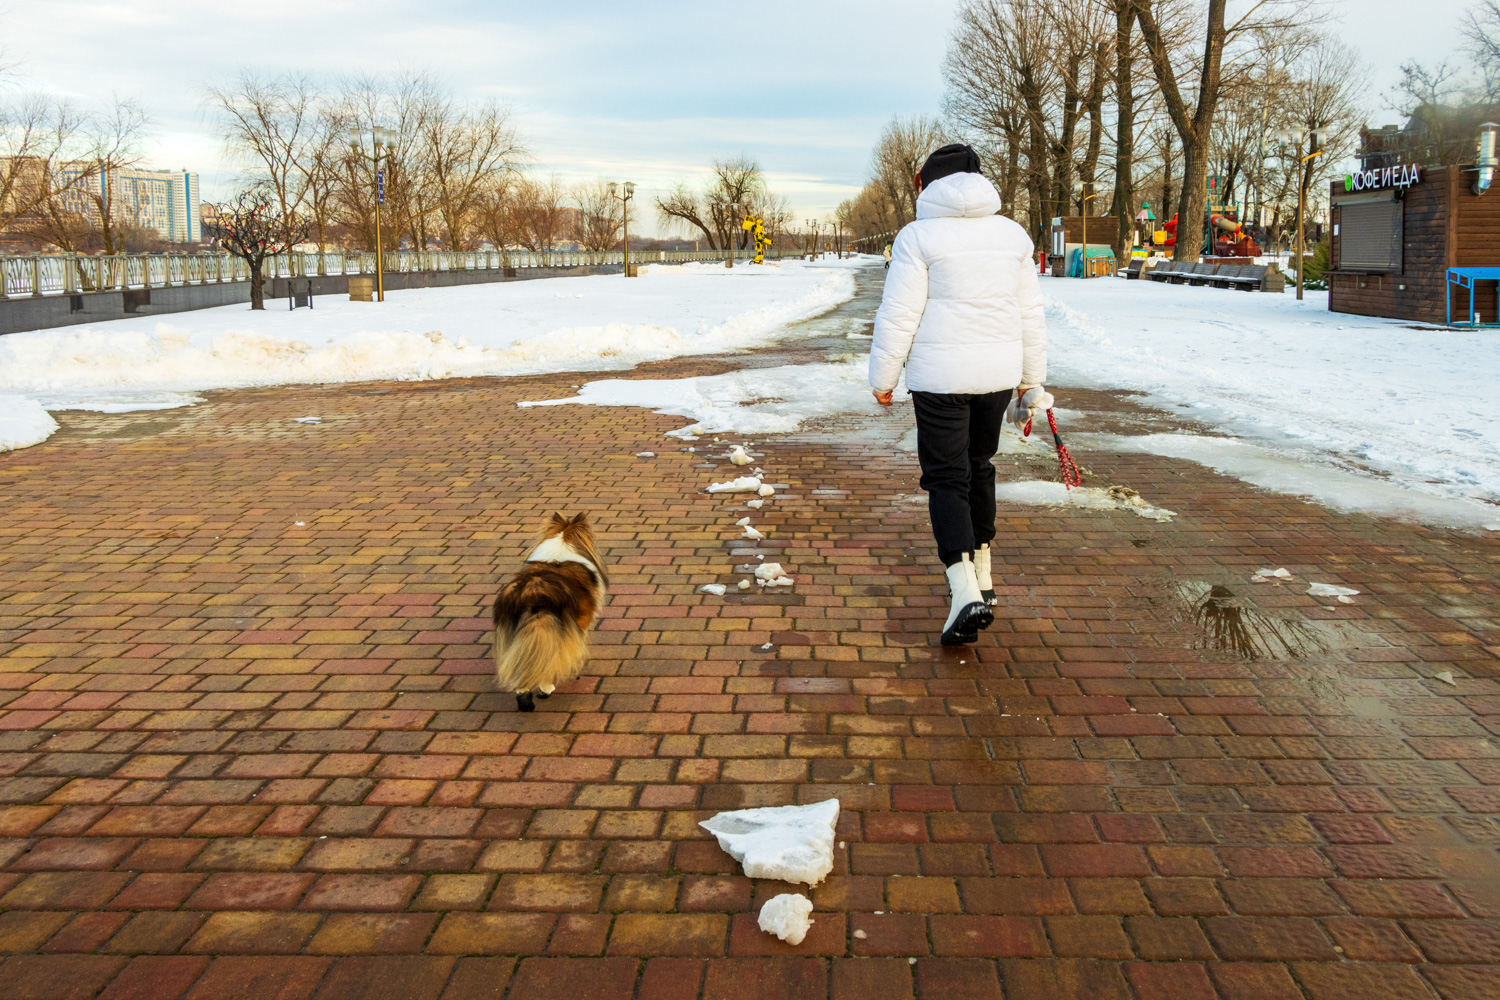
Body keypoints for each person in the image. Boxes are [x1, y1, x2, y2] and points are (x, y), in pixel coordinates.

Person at [868, 143, 1049, 646]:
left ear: (931, 184)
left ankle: (962, 586)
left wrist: (882, 376)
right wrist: (1032, 378)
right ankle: (984, 574)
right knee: (980, 466)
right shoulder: (1012, 234)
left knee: (947, 477)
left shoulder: (918, 236)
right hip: (996, 375)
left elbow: (900, 313)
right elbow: (1029, 312)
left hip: (939, 378)